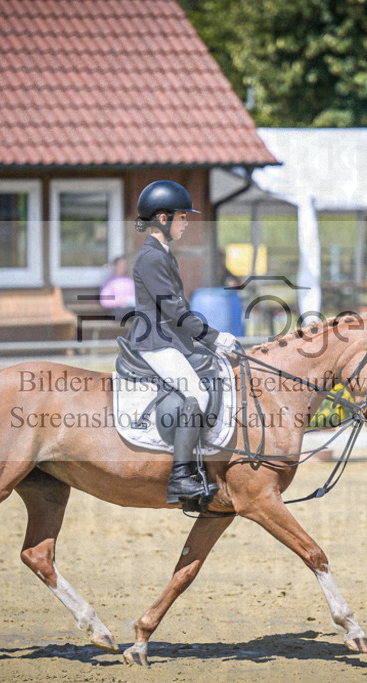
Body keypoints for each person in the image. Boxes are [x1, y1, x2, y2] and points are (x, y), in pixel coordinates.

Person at [124, 180, 237, 509]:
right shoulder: (150, 257)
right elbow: (173, 310)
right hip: (156, 341)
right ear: (163, 218)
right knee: (196, 393)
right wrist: (214, 337)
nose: (187, 223)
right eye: (182, 217)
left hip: (170, 338)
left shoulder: (162, 253)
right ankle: (181, 479)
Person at [99, 255, 135, 322]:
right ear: (115, 266)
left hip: (131, 309)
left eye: (124, 266)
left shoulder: (130, 281)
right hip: (117, 310)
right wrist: (120, 302)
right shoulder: (109, 282)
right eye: (120, 265)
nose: (122, 267)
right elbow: (104, 301)